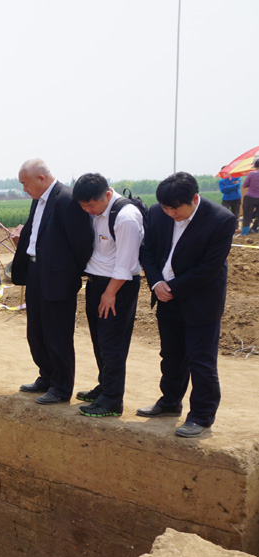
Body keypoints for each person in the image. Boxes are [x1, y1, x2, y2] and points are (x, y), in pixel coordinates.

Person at [137, 172, 236, 438]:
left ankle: (202, 416)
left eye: (176, 208)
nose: (170, 213)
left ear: (194, 198)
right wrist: (157, 283)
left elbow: (209, 268)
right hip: (165, 296)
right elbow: (147, 251)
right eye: (166, 208)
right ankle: (170, 402)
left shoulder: (220, 219)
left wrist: (173, 288)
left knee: (201, 361)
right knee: (171, 356)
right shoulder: (157, 213)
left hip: (200, 300)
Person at [10, 159, 93, 404]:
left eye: (26, 183)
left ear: (41, 178)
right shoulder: (38, 200)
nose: (24, 189)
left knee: (57, 334)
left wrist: (68, 273)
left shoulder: (67, 199)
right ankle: (46, 376)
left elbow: (82, 243)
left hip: (58, 278)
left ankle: (61, 386)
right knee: (36, 332)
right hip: (36, 272)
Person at [72, 174, 144, 417]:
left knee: (112, 344)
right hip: (96, 283)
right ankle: (104, 387)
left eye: (91, 205)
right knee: (99, 341)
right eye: (83, 206)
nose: (87, 210)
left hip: (116, 287)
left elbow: (126, 263)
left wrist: (110, 293)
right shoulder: (96, 212)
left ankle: (112, 400)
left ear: (108, 195)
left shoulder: (126, 217)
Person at [241, 159, 259, 236]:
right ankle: (254, 228)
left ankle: (245, 232)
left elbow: (245, 185)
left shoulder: (251, 174)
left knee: (247, 215)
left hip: (250, 197)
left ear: (255, 165)